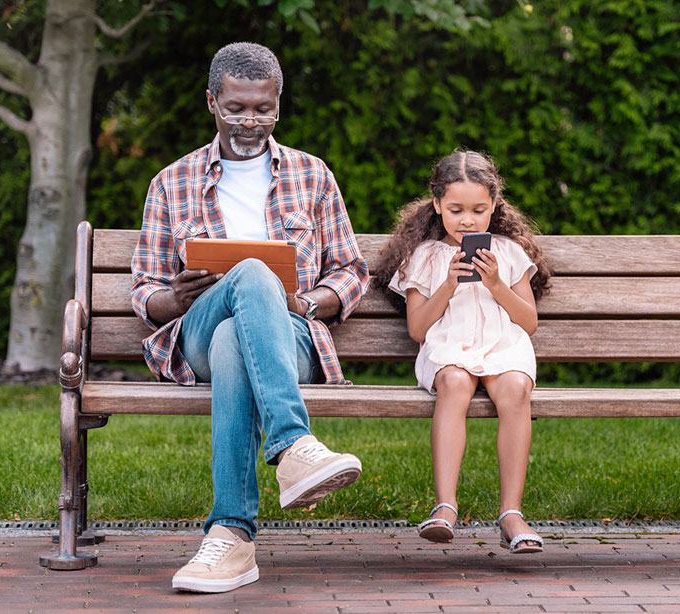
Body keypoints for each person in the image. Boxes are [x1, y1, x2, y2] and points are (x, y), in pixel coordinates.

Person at [131, 42, 369, 593]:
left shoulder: (313, 176)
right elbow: (144, 292)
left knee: (236, 340)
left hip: (289, 337)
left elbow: (352, 270)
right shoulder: (172, 181)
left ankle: (231, 537)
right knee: (253, 274)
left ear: (278, 105)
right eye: (236, 108)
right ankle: (292, 446)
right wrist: (177, 295)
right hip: (196, 327)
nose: (250, 121)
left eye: (262, 108)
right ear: (211, 102)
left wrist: (308, 303)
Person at [375, 149, 551, 553]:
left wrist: (496, 285)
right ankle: (445, 506)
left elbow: (528, 322)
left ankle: (511, 513)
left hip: (503, 346)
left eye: (477, 209)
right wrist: (449, 285)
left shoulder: (507, 253)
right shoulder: (424, 257)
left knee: (515, 391)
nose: (467, 219)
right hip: (448, 348)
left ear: (493, 206)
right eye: (455, 210)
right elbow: (418, 329)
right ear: (437, 205)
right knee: (454, 383)